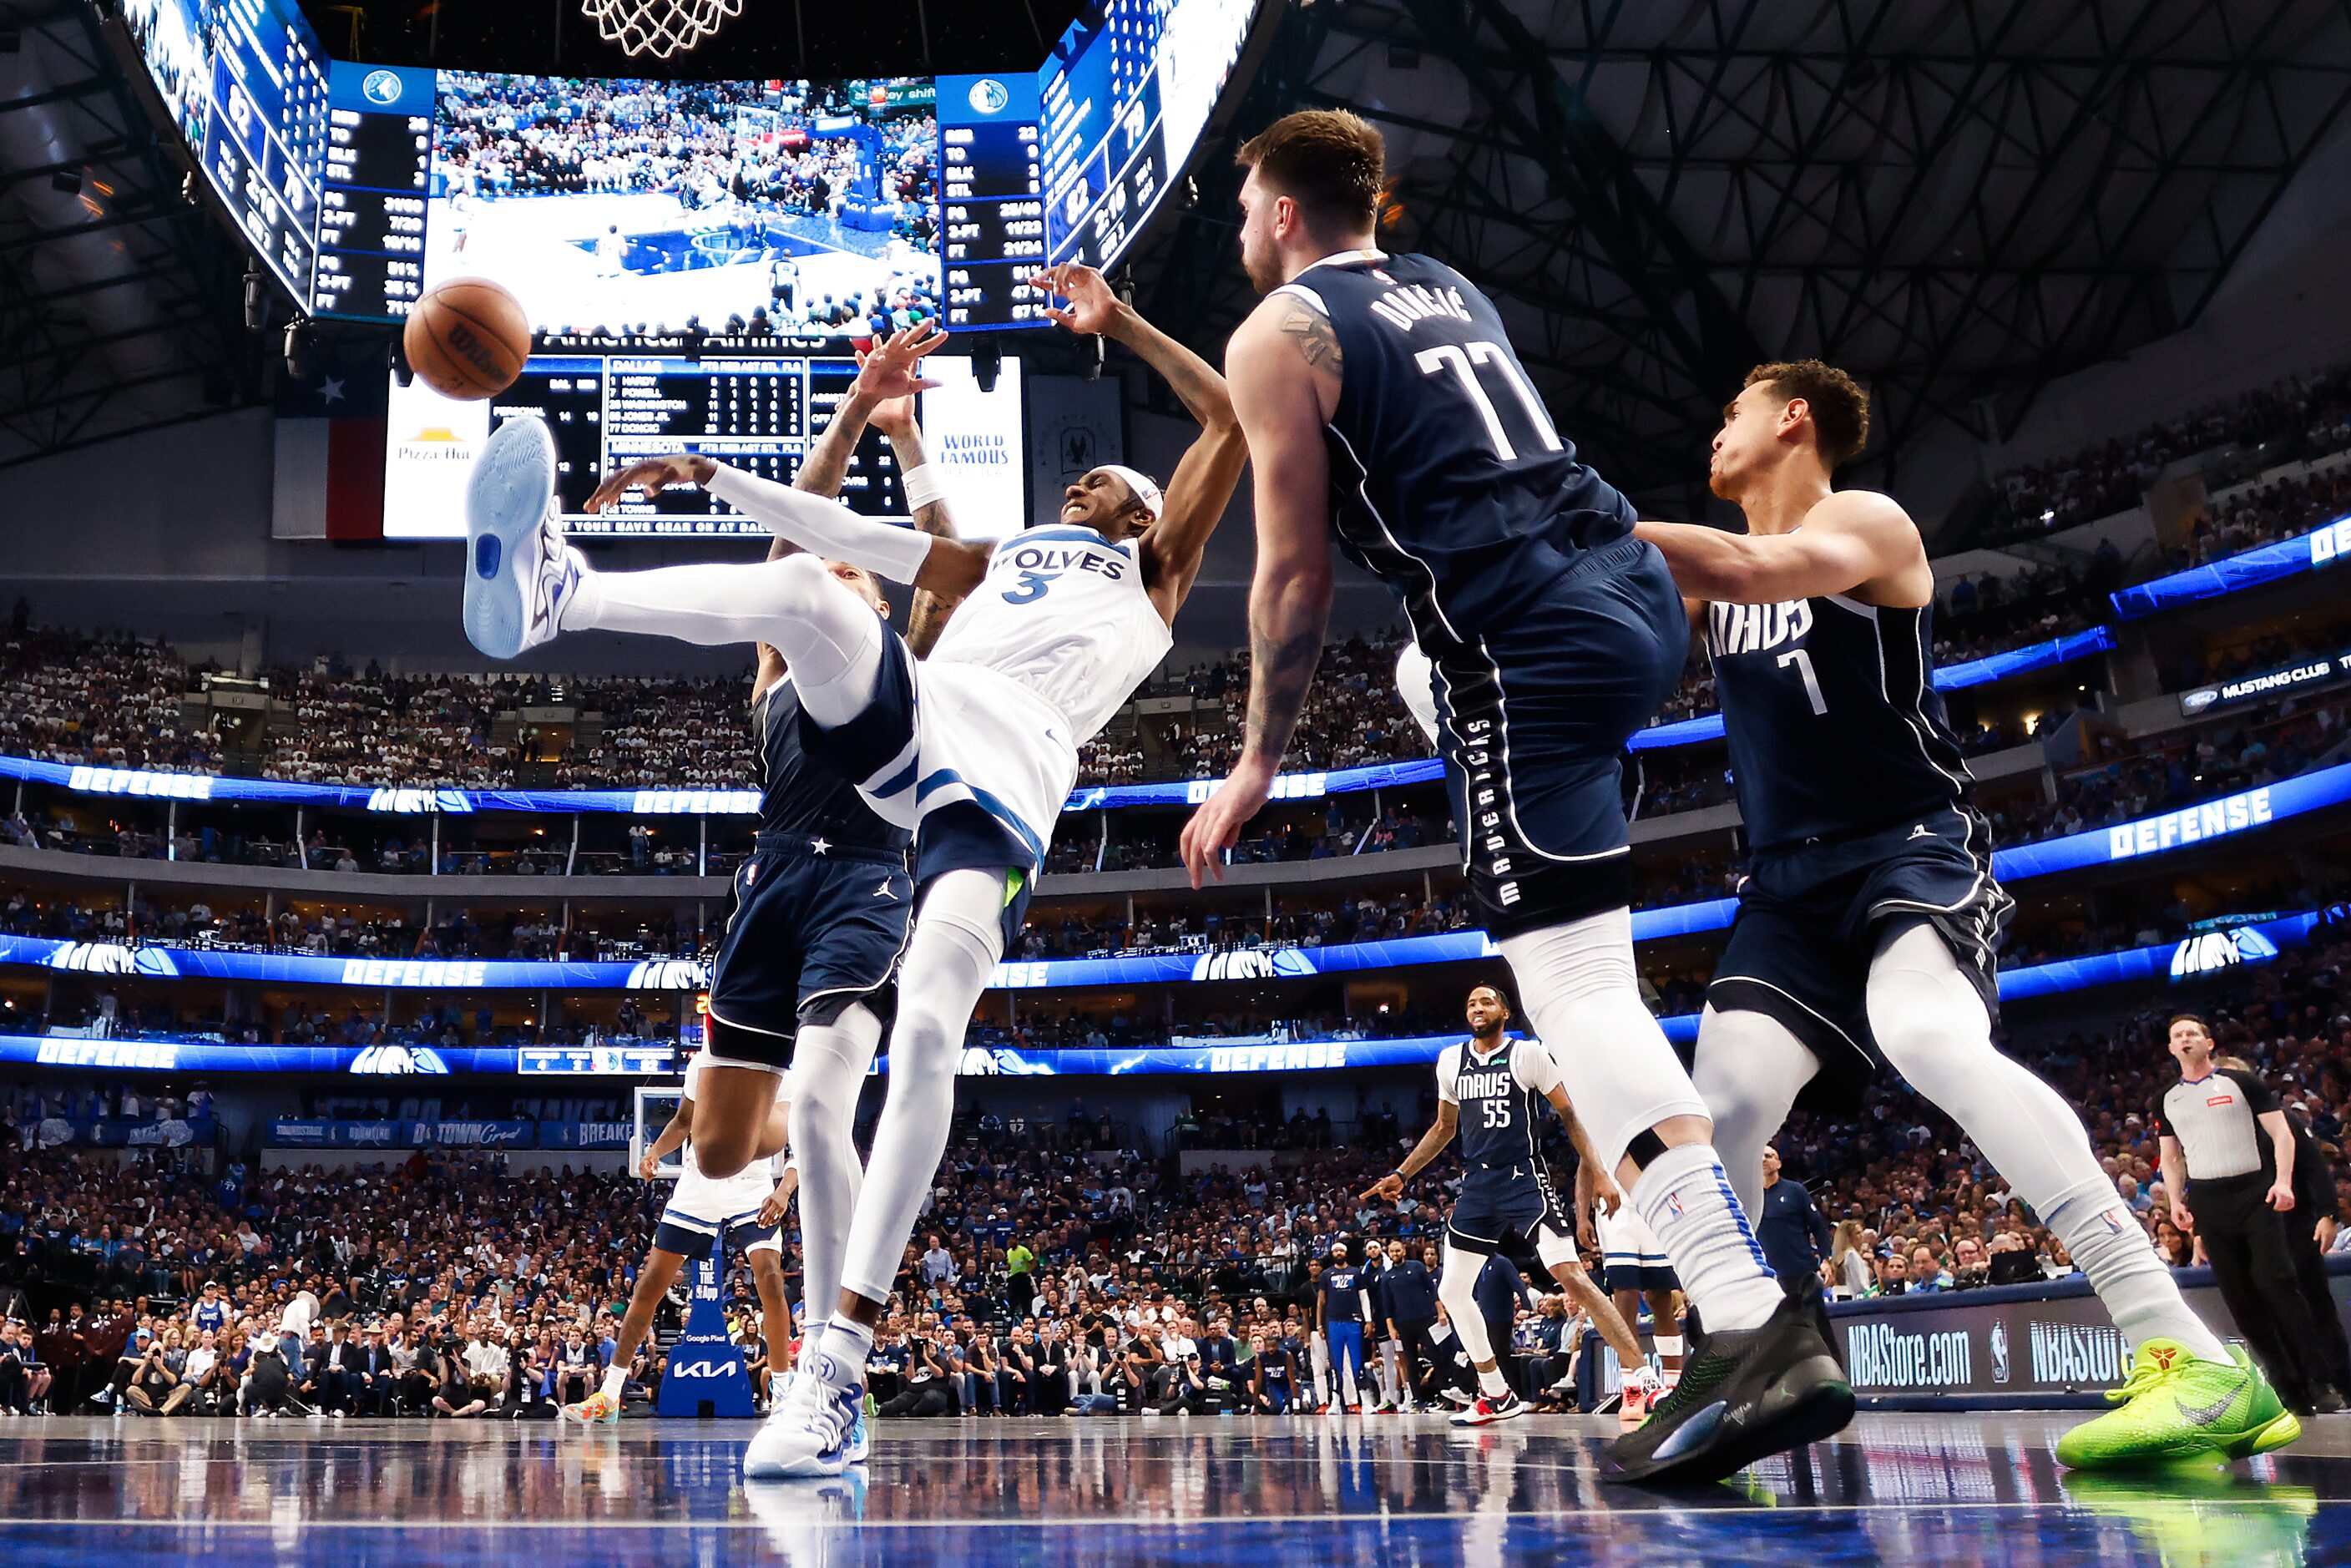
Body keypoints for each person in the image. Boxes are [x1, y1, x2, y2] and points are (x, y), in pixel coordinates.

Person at [1181, 106, 1841, 1485]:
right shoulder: (1448, 286)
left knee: (1573, 987)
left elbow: (1294, 578)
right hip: (1627, 589)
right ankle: (1740, 1324)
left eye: (1245, 205)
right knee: (1436, 671)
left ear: (1285, 213)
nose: (1242, 229)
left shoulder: (1279, 335)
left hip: (1529, 642)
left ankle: (1745, 1311)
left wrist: (1256, 757)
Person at [564, 267, 1246, 1477]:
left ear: (1141, 513)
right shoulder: (1006, 552)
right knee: (806, 598)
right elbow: (869, 540)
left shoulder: (1156, 567)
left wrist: (1123, 321)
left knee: (927, 1032)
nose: (1076, 480)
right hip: (917, 727)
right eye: (1075, 479)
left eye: (1097, 479)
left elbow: (1231, 420)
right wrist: (709, 473)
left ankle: (834, 1364)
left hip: (1006, 772)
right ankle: (563, 594)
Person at [1633, 362, 2296, 1470]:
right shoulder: (1706, 588)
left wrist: (1583, 513)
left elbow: (1755, 562)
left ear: (1793, 417)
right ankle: (1738, 1351)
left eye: (1729, 410)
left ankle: (2186, 1352)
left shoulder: (1864, 520)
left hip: (1906, 845)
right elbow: (1627, 643)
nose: (1715, 430)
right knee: (1720, 1111)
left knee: (1927, 1035)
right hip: (1785, 892)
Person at [466, 347, 966, 1462]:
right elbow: (796, 535)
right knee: (734, 1145)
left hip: (864, 875)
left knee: (828, 1102)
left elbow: (924, 578)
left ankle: (831, 1371)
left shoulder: (898, 654)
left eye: (853, 574)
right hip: (772, 878)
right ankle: (807, 1186)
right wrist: (851, 411)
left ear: (873, 598)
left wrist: (907, 444)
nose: (836, 573)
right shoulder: (778, 666)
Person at [1362, 984, 1651, 1426]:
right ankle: (1496, 1393)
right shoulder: (1450, 1061)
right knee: (1452, 1291)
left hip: (1524, 1178)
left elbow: (1571, 1116)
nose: (1477, 1007)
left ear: (1505, 1011)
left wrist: (1599, 1173)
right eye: (1471, 1002)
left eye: (1486, 1001)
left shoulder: (1528, 1055)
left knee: (1570, 1276)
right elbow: (1443, 1128)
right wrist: (1403, 1173)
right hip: (1478, 1184)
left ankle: (1639, 1376)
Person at [563, 1050, 796, 1424]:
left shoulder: (783, 1066)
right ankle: (609, 1395)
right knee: (650, 1282)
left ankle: (785, 1398)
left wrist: (784, 1191)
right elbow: (684, 1120)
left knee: (769, 1276)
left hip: (753, 1184)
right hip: (698, 1182)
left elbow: (799, 1142)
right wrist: (654, 1151)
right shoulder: (703, 1062)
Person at [2156, 1019, 2333, 1422]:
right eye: (2177, 1036)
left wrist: (2283, 1182)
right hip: (2209, 1200)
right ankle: (2286, 1388)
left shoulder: (2241, 1084)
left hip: (2255, 1192)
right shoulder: (2166, 1099)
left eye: (2192, 1034)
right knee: (2240, 1298)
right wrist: (2175, 1201)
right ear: (2170, 1049)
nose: (2185, 1039)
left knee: (2278, 1282)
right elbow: (2170, 1157)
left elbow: (2283, 1134)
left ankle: (2319, 1380)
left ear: (2209, 1043)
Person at [1595, 1197, 1684, 1427]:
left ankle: (1675, 1385)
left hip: (1653, 1201)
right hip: (1614, 1210)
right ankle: (1632, 1387)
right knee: (1624, 1299)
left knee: (1660, 1297)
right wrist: (1580, 1215)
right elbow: (1587, 1166)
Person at [1756, 1146, 1834, 1303]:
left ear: (1779, 1163)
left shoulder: (1795, 1191)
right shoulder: (1750, 1195)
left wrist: (1825, 1259)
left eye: (1769, 1156)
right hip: (1765, 1276)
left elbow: (1818, 1226)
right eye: (1760, 1156)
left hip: (1800, 1272)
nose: (1764, 1159)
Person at [1314, 1241, 1370, 1414]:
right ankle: (1336, 1401)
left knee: (1357, 1362)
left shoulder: (1356, 1272)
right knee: (1336, 1363)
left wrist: (1368, 1320)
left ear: (1345, 1253)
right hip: (1334, 1322)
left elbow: (1364, 1297)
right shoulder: (1326, 1275)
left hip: (1353, 1321)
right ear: (1332, 1254)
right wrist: (1319, 1324)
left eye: (1341, 1250)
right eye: (1335, 1251)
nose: (1338, 1253)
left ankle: (1365, 1400)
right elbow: (1321, 1301)